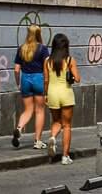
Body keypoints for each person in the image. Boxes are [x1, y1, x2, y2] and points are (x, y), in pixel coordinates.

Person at [44, 32, 81, 165]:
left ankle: (53, 137)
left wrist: (45, 95)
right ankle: (65, 156)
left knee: (56, 121)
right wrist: (70, 73)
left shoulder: (47, 61)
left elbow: (46, 80)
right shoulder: (70, 60)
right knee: (66, 125)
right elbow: (77, 79)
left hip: (52, 93)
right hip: (66, 93)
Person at [13, 24, 50, 149]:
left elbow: (17, 69)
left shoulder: (21, 48)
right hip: (38, 79)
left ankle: (19, 128)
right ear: (39, 33)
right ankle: (37, 141)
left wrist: (18, 82)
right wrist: (47, 85)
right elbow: (46, 70)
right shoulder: (43, 49)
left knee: (28, 110)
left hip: (25, 79)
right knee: (39, 111)